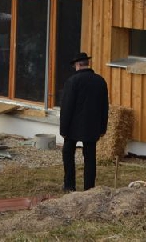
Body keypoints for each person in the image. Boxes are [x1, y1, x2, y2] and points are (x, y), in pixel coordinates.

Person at [59, 52, 108, 191]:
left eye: (75, 66)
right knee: (90, 157)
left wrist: (63, 129)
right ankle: (89, 187)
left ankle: (69, 185)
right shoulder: (100, 81)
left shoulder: (72, 82)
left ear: (78, 65)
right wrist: (102, 128)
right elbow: (105, 106)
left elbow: (67, 107)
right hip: (92, 126)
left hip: (73, 127)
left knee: (68, 154)